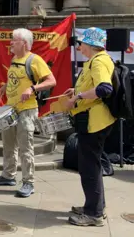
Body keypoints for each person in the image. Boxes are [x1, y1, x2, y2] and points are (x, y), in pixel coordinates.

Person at [0, 28, 56, 198]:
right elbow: (16, 78)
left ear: (24, 43)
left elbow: (51, 80)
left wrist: (33, 88)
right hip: (10, 109)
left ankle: (28, 182)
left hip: (26, 110)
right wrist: (6, 86)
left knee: (26, 147)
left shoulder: (35, 60)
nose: (10, 43)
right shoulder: (14, 59)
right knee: (9, 144)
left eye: (14, 40)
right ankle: (8, 175)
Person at [64, 28, 115, 227]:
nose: (79, 46)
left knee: (89, 168)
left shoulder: (99, 60)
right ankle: (95, 207)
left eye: (82, 43)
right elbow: (93, 85)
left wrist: (78, 97)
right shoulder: (96, 60)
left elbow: (104, 89)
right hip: (94, 120)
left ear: (91, 45)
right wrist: (76, 90)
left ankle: (93, 214)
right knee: (91, 166)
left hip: (95, 122)